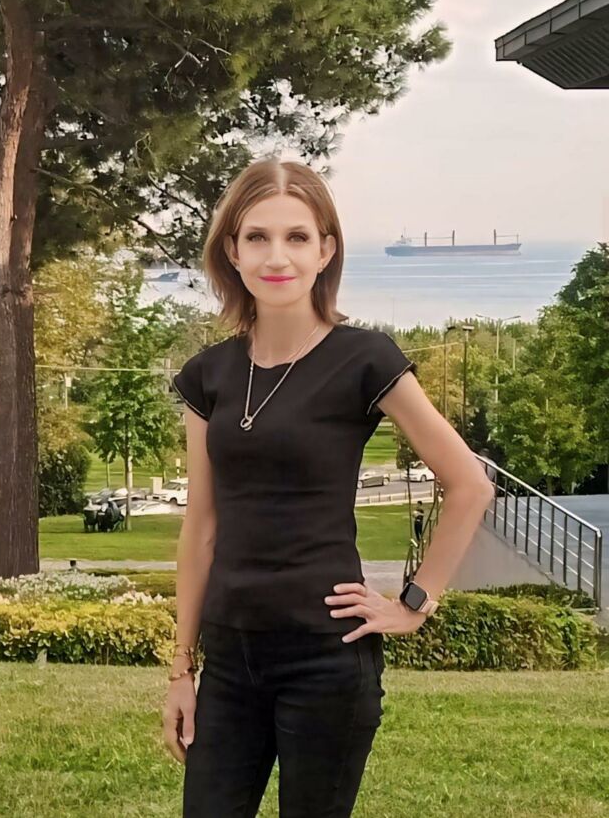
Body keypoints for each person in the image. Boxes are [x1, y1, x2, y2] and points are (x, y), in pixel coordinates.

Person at [162, 157, 496, 817]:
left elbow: (468, 483)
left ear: (326, 251)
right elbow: (200, 528)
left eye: (297, 237)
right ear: (232, 251)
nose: (276, 256)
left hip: (326, 658)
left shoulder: (363, 358)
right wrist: (180, 669)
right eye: (257, 237)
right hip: (229, 662)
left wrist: (414, 602)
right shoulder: (209, 374)